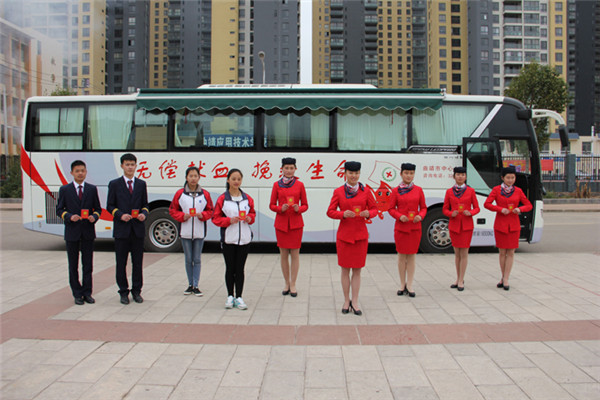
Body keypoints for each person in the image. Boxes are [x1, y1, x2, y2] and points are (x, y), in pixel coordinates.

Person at [326, 161, 377, 316]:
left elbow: (374, 209)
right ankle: (346, 300)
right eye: (351, 173)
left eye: (356, 173)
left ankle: (355, 301)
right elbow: (330, 211)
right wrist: (342, 214)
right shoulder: (338, 192)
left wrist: (368, 213)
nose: (354, 176)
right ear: (345, 174)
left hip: (360, 236)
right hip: (344, 236)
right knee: (345, 270)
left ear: (359, 174)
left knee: (357, 271)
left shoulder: (366, 191)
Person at [56, 160, 102, 305]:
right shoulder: (65, 189)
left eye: (82, 170)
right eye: (77, 171)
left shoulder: (91, 189)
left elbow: (98, 209)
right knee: (73, 265)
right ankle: (77, 293)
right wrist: (69, 216)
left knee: (88, 265)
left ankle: (87, 293)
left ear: (86, 172)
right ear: (72, 173)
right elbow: (59, 209)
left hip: (87, 231)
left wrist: (94, 217)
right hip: (72, 232)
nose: (80, 173)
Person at [106, 153, 149, 305]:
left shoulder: (141, 184)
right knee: (121, 263)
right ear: (122, 166)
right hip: (122, 230)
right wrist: (120, 215)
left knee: (137, 263)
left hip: (137, 230)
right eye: (127, 164)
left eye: (132, 164)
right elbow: (110, 205)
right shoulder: (114, 184)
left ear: (136, 166)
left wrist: (144, 214)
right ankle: (123, 292)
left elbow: (145, 204)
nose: (130, 167)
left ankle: (137, 291)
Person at [212, 169, 256, 310]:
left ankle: (239, 297)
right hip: (229, 239)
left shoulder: (247, 198)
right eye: (233, 179)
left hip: (244, 239)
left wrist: (249, 218)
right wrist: (228, 221)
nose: (236, 181)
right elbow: (215, 218)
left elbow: (253, 214)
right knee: (230, 268)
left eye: (238, 179)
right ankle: (230, 296)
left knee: (240, 268)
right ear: (228, 180)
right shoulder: (222, 199)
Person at [484, 166, 532, 291]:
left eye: (512, 178)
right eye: (508, 178)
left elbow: (528, 205)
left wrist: (519, 209)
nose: (510, 180)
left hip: (514, 225)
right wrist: (500, 209)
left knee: (510, 252)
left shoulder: (518, 191)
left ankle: (506, 278)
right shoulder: (496, 190)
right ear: (502, 178)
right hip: (500, 224)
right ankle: (503, 276)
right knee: (502, 252)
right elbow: (487, 204)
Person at [169, 166, 214, 297]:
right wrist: (182, 216)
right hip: (185, 232)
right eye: (191, 176)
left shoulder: (205, 194)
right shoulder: (180, 194)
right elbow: (173, 210)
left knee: (197, 259)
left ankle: (196, 285)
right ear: (186, 178)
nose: (193, 178)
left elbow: (210, 210)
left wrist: (202, 215)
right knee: (188, 259)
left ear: (199, 177)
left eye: (195, 176)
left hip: (199, 232)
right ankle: (190, 285)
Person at [269, 157, 308, 297]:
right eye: (286, 168)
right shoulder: (276, 185)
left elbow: (305, 205)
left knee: (295, 255)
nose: (289, 170)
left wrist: (299, 209)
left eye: (291, 168)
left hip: (296, 224)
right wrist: (280, 208)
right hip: (281, 224)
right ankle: (286, 282)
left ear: (295, 169)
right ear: (282, 169)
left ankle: (293, 283)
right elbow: (271, 205)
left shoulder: (300, 185)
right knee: (284, 254)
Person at [388, 163, 426, 298]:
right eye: (406, 173)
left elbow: (423, 208)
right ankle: (401, 284)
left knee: (411, 256)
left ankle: (410, 284)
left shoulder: (419, 190)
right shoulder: (395, 191)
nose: (409, 176)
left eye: (411, 173)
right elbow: (391, 209)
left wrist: (420, 216)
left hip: (415, 228)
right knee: (401, 256)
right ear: (401, 174)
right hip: (401, 228)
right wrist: (399, 216)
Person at [442, 166, 480, 291]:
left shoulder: (471, 191)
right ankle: (458, 278)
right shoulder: (449, 192)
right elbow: (445, 209)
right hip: (454, 225)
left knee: (464, 253)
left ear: (466, 177)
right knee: (457, 254)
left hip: (466, 226)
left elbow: (477, 208)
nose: (460, 177)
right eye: (458, 174)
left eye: (462, 175)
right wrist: (450, 213)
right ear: (454, 176)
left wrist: (471, 212)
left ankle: (461, 280)